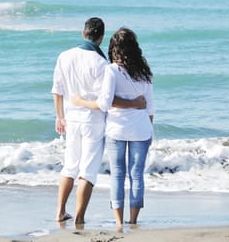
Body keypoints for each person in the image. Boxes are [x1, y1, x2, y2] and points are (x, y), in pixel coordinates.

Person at [51, 18, 145, 224]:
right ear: (101, 37)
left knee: (69, 166)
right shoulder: (102, 63)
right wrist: (135, 104)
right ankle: (79, 217)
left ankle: (60, 211)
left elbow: (57, 90)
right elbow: (107, 100)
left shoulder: (64, 56)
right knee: (88, 170)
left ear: (83, 33)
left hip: (71, 119)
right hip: (92, 120)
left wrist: (59, 116)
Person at [72, 27, 154, 226]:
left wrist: (80, 101)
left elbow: (105, 102)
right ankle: (133, 220)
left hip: (117, 129)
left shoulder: (112, 70)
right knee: (137, 175)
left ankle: (119, 222)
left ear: (114, 49)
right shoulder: (145, 71)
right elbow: (149, 106)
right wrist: (146, 125)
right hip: (142, 129)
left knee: (118, 174)